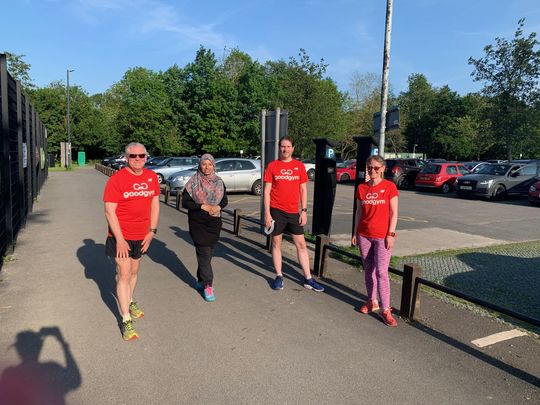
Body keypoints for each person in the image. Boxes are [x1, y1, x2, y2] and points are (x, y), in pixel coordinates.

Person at [103, 142, 160, 340]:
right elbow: (109, 211)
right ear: (126, 158)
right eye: (133, 156)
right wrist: (119, 239)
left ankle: (129, 300)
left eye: (141, 155)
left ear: (146, 156)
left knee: (134, 272)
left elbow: (154, 205)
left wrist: (151, 232)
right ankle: (126, 320)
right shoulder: (117, 180)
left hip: (142, 235)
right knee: (124, 274)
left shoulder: (152, 177)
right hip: (121, 236)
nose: (137, 159)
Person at [263, 136, 325, 292]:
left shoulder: (299, 166)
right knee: (276, 244)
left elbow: (303, 190)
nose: (285, 149)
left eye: (288, 146)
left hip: (293, 212)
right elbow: (267, 191)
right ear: (279, 148)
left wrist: (304, 211)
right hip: (276, 210)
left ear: (293, 148)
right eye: (283, 146)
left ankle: (308, 279)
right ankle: (279, 276)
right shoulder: (272, 166)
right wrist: (267, 214)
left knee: (301, 245)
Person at [352, 155, 399, 327]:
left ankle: (385, 309)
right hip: (364, 235)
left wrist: (391, 234)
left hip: (382, 236)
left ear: (383, 169)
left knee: (381, 272)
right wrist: (355, 232)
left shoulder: (389, 187)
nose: (372, 171)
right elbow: (358, 212)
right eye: (369, 167)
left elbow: (394, 213)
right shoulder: (362, 188)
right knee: (368, 270)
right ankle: (372, 301)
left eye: (376, 168)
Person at [182, 154, 228, 302]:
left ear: (214, 165)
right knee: (204, 253)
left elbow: (225, 200)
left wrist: (218, 207)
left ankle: (200, 281)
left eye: (209, 164)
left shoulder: (219, 182)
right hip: (198, 223)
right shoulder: (192, 182)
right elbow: (185, 202)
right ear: (199, 165)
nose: (206, 167)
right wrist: (202, 206)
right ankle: (208, 285)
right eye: (204, 164)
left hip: (214, 223)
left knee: (207, 254)